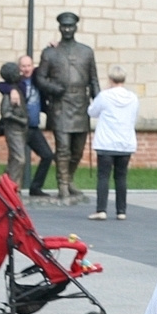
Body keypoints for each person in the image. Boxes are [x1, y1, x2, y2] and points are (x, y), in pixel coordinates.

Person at [33, 11, 98, 205]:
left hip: (81, 104)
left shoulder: (86, 51)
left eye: (70, 26)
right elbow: (40, 78)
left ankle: (69, 179)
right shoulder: (50, 53)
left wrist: (101, 103)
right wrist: (54, 89)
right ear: (59, 28)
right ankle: (62, 185)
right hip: (60, 105)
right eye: (64, 26)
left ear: (76, 28)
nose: (67, 29)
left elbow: (93, 79)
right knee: (63, 148)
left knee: (77, 149)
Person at [86, 66, 137, 220]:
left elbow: (92, 112)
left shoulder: (104, 96)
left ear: (110, 79)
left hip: (106, 143)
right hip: (125, 142)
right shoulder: (133, 98)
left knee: (103, 176)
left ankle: (101, 209)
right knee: (121, 177)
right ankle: (121, 210)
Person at [0, 61, 30, 185]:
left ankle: (8, 186)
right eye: (16, 71)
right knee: (20, 159)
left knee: (13, 160)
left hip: (21, 130)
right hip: (13, 129)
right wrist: (21, 120)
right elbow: (6, 113)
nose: (20, 73)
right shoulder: (8, 95)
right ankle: (11, 187)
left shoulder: (19, 88)